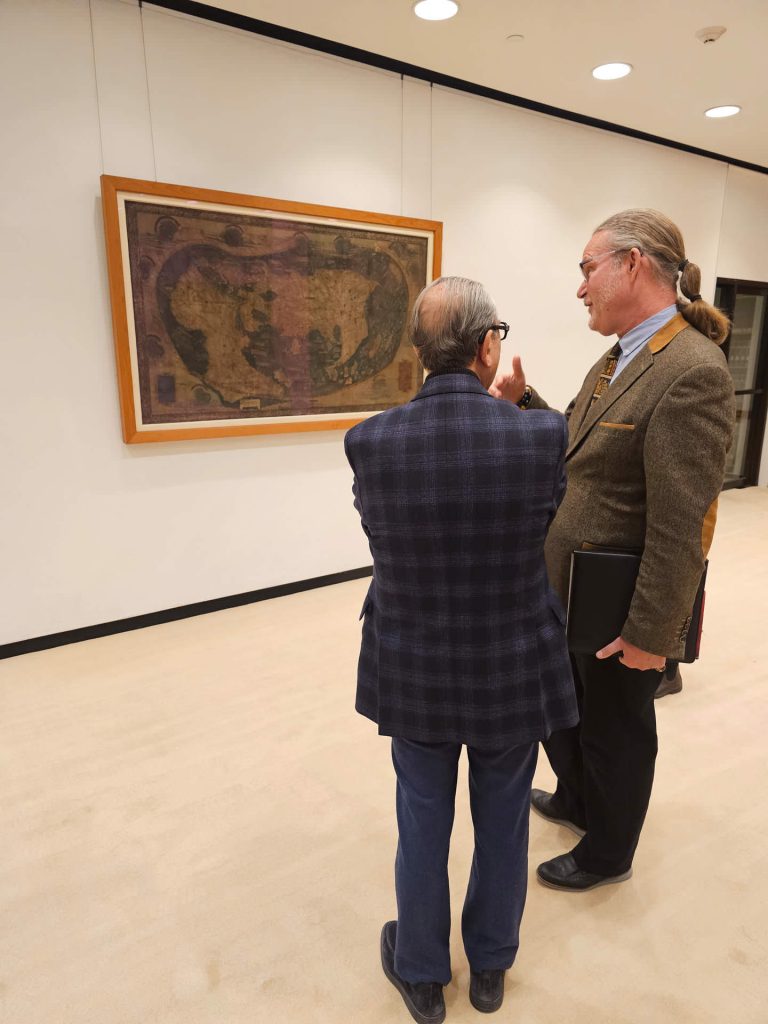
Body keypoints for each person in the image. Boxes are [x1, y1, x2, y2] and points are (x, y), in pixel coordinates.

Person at [344, 277, 578, 1023]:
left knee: (422, 818)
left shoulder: (369, 441)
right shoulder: (541, 434)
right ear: (488, 346)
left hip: (413, 663)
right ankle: (489, 968)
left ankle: (419, 973)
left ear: (419, 352)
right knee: (504, 817)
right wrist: (516, 405)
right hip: (511, 665)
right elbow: (544, 501)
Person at [491, 209, 735, 892]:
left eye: (586, 269)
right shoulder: (621, 353)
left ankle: (608, 851)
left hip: (618, 607)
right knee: (563, 712)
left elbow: (683, 523)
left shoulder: (692, 370)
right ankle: (575, 800)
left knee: (615, 729)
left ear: (632, 265)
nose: (580, 288)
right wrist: (523, 405)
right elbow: (582, 447)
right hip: (570, 590)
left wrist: (652, 636)